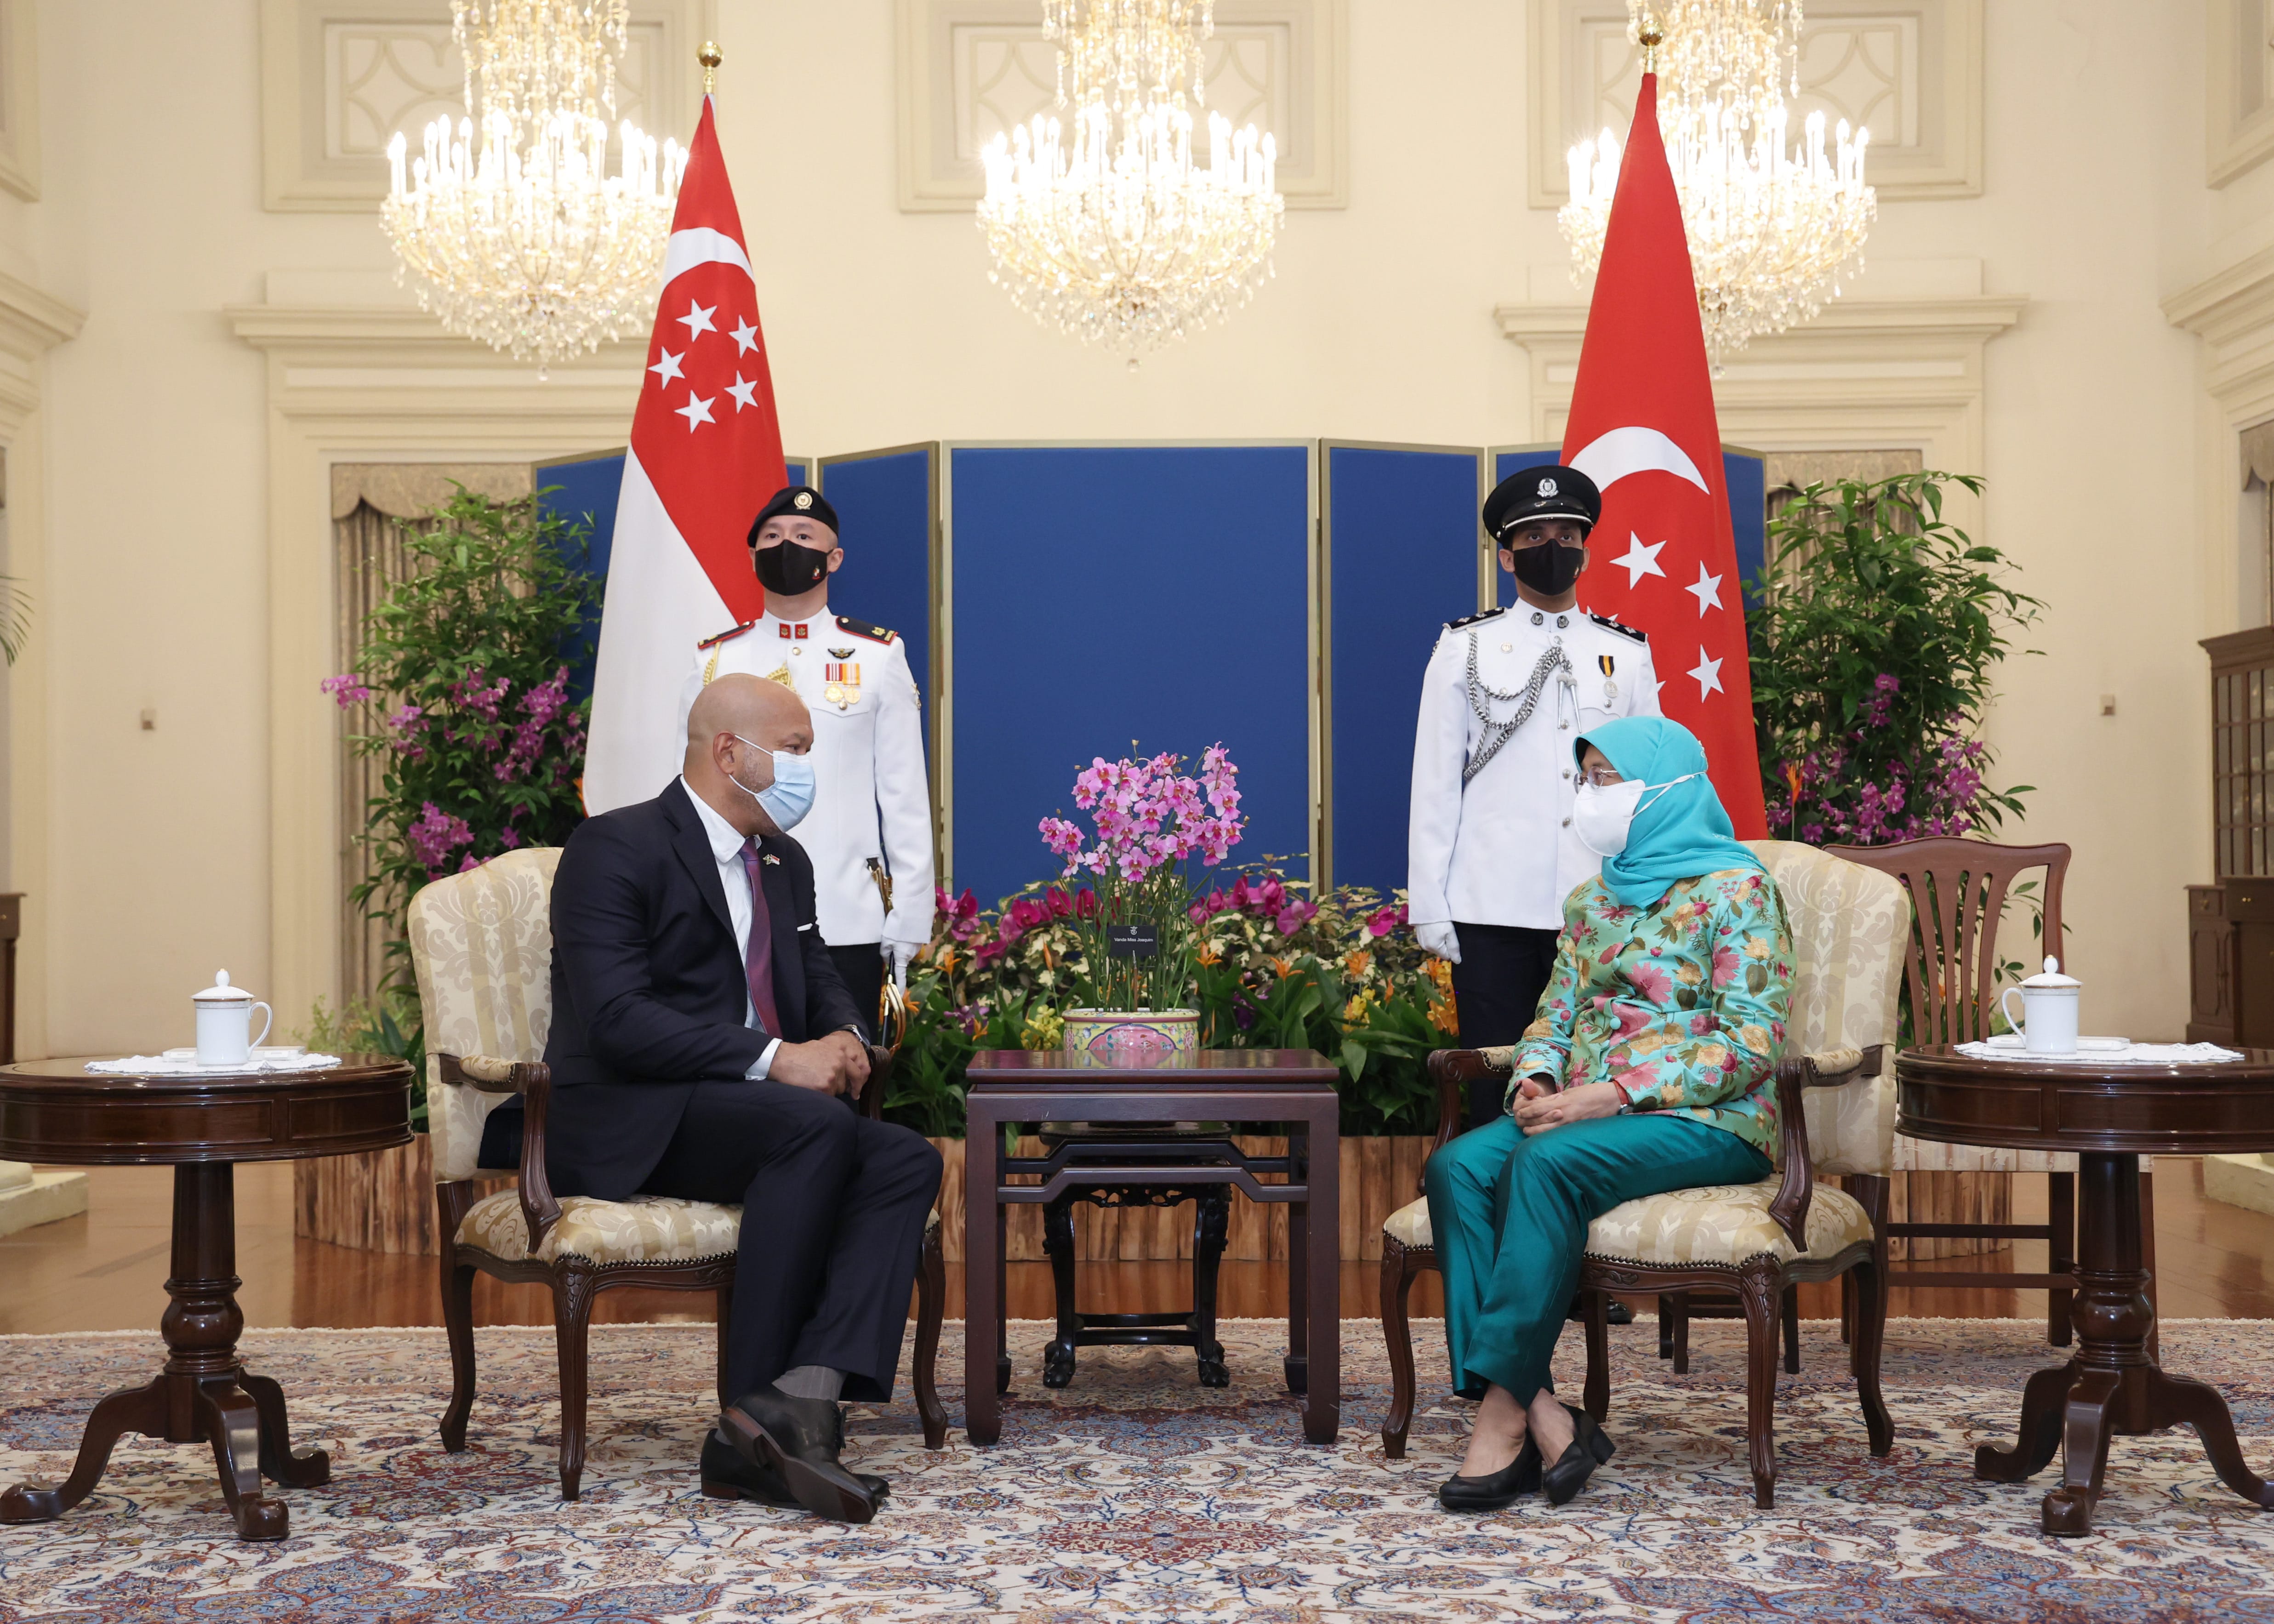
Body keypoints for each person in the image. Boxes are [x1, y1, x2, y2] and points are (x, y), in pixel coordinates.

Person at [540, 672, 944, 1523]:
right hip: (635, 1110)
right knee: (808, 1124)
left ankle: (804, 1394)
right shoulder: (615, 847)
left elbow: (821, 973)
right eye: (794, 749)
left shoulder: (781, 861)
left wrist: (840, 1036)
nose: (807, 766)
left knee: (904, 1156)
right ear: (731, 752)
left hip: (749, 1111)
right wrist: (774, 1056)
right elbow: (616, 1020)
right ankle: (745, 1415)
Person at [1424, 715, 1793, 1513]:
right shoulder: (1593, 900)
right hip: (1580, 1111)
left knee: (1543, 1162)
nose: (1590, 797)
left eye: (1605, 780)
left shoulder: (1739, 891)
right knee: (1455, 1166)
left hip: (1709, 1120)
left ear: (1668, 792)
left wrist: (1614, 1093)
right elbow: (1550, 1016)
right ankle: (1547, 1411)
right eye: (1585, 778)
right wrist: (1536, 1076)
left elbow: (1751, 1041)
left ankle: (1499, 1419)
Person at [1408, 462, 1662, 1131]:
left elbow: (1648, 787)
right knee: (1496, 1094)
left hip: (1600, 904)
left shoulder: (1625, 654)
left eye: (1566, 533)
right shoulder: (1465, 647)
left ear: (1585, 545)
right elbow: (1433, 784)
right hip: (1492, 907)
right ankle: (1491, 1225)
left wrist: (1653, 894)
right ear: (1504, 553)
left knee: (1595, 1085)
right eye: (1533, 537)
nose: (1552, 547)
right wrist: (1431, 905)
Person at [678, 484, 937, 1033]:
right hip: (738, 908)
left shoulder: (877, 655)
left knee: (846, 1079)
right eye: (771, 536)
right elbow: (690, 788)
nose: (786, 545)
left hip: (848, 911)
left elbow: (904, 792)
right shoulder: (716, 658)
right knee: (741, 1086)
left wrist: (910, 910)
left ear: (834, 557)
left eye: (803, 535)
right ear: (752, 556)